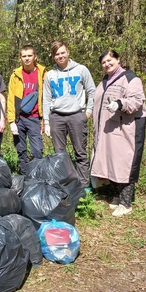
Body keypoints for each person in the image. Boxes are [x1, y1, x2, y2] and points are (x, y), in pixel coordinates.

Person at [91, 50, 146, 217]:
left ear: (118, 59)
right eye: (104, 62)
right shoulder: (106, 80)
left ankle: (126, 203)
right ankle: (117, 196)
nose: (107, 64)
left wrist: (120, 104)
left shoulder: (130, 78)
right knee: (112, 162)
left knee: (125, 163)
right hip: (109, 130)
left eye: (110, 60)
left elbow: (137, 100)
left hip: (126, 130)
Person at [43, 40, 96, 188]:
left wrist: (88, 112)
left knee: (80, 152)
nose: (60, 56)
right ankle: (65, 185)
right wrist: (46, 122)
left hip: (76, 116)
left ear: (68, 52)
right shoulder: (50, 75)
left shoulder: (81, 70)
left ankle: (83, 186)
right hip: (56, 117)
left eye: (62, 52)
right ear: (53, 56)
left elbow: (92, 91)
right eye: (57, 54)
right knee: (59, 155)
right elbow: (46, 99)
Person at [7, 45, 46, 175]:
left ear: (35, 56)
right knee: (21, 150)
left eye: (29, 55)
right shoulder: (16, 75)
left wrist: (45, 120)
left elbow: (46, 98)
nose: (27, 58)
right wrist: (11, 121)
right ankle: (25, 177)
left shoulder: (42, 73)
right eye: (24, 56)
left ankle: (37, 177)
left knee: (37, 150)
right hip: (19, 119)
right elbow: (11, 99)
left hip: (35, 118)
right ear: (20, 58)